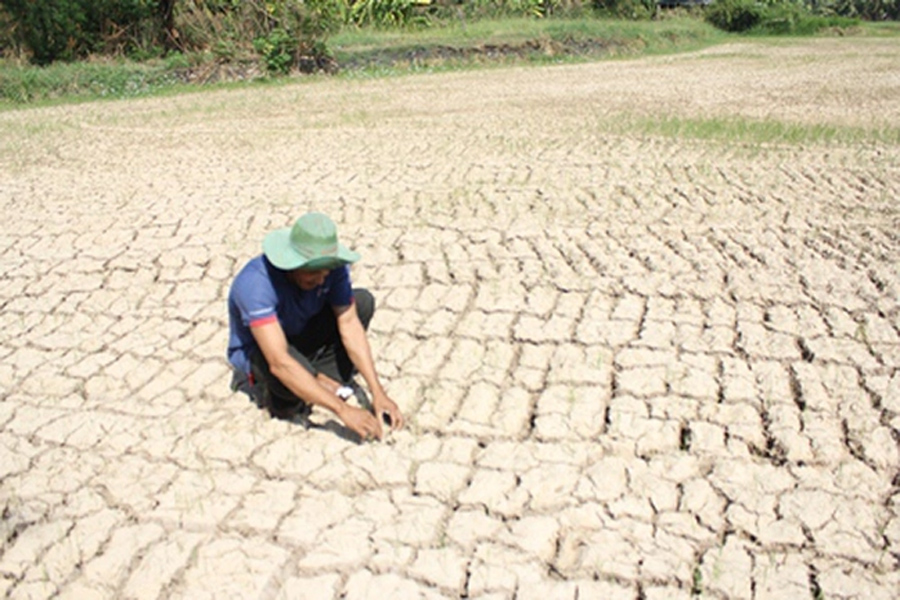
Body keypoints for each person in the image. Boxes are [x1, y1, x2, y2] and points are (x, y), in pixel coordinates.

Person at [227, 212, 403, 441]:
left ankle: (316, 380)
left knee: (361, 303)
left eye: (325, 272)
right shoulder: (256, 284)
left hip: (302, 335)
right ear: (291, 264)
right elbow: (279, 361)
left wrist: (378, 393)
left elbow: (349, 323)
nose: (321, 280)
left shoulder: (332, 269)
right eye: (312, 274)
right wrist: (343, 411)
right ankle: (307, 387)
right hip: (269, 352)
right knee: (284, 385)